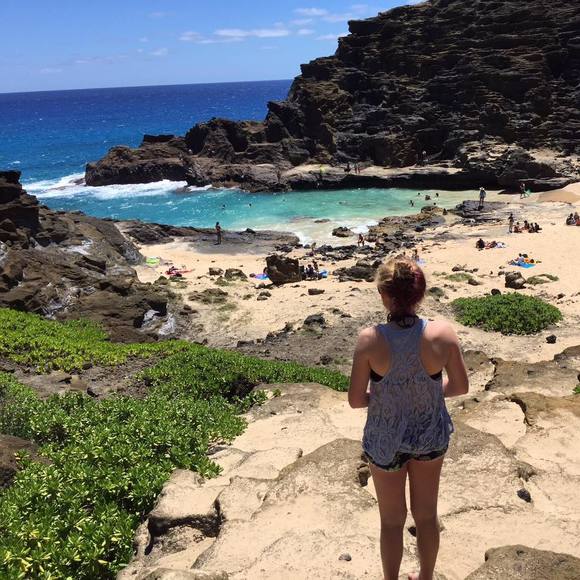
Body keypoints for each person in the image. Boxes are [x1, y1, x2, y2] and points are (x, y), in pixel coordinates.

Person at [349, 258, 468, 580]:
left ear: (383, 295)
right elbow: (459, 387)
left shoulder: (370, 339)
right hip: (429, 435)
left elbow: (356, 400)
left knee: (391, 522)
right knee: (426, 515)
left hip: (385, 440)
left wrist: (390, 396)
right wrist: (422, 391)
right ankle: (426, 577)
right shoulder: (443, 333)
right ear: (420, 293)